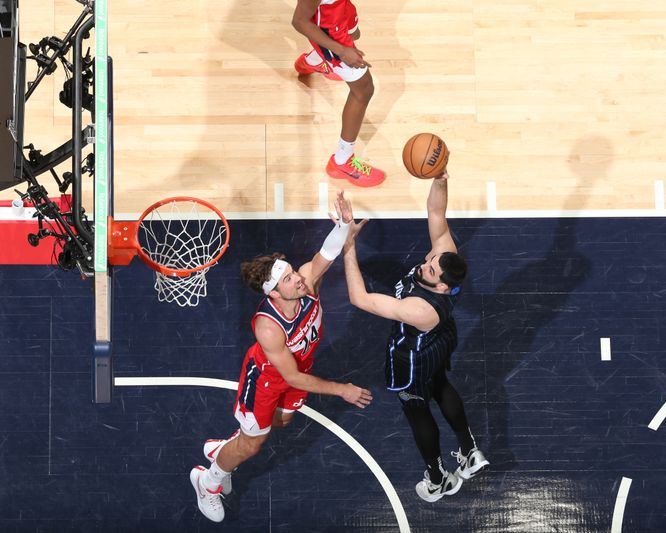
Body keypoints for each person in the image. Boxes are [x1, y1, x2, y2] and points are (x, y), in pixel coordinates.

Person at [190, 195, 373, 523]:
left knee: (283, 421)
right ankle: (208, 480)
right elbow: (293, 379)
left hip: (299, 371)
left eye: (292, 272)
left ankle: (227, 448)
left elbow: (326, 254)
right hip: (266, 380)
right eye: (288, 279)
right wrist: (341, 389)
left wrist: (344, 225)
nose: (298, 278)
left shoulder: (308, 284)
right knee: (253, 447)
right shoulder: (269, 327)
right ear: (273, 292)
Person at [340, 173, 489, 502]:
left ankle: (438, 479)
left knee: (417, 410)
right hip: (442, 339)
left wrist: (348, 245)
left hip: (412, 356)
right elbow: (436, 213)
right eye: (431, 260)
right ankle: (469, 450)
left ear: (442, 288)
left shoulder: (419, 308)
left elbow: (360, 299)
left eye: (431, 271)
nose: (426, 264)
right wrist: (440, 177)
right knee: (439, 384)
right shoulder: (445, 257)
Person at [291, 0, 385, 188]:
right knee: (364, 89)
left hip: (338, 8)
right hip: (328, 29)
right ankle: (342, 161)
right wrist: (341, 51)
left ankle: (314, 60)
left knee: (354, 33)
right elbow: (299, 21)